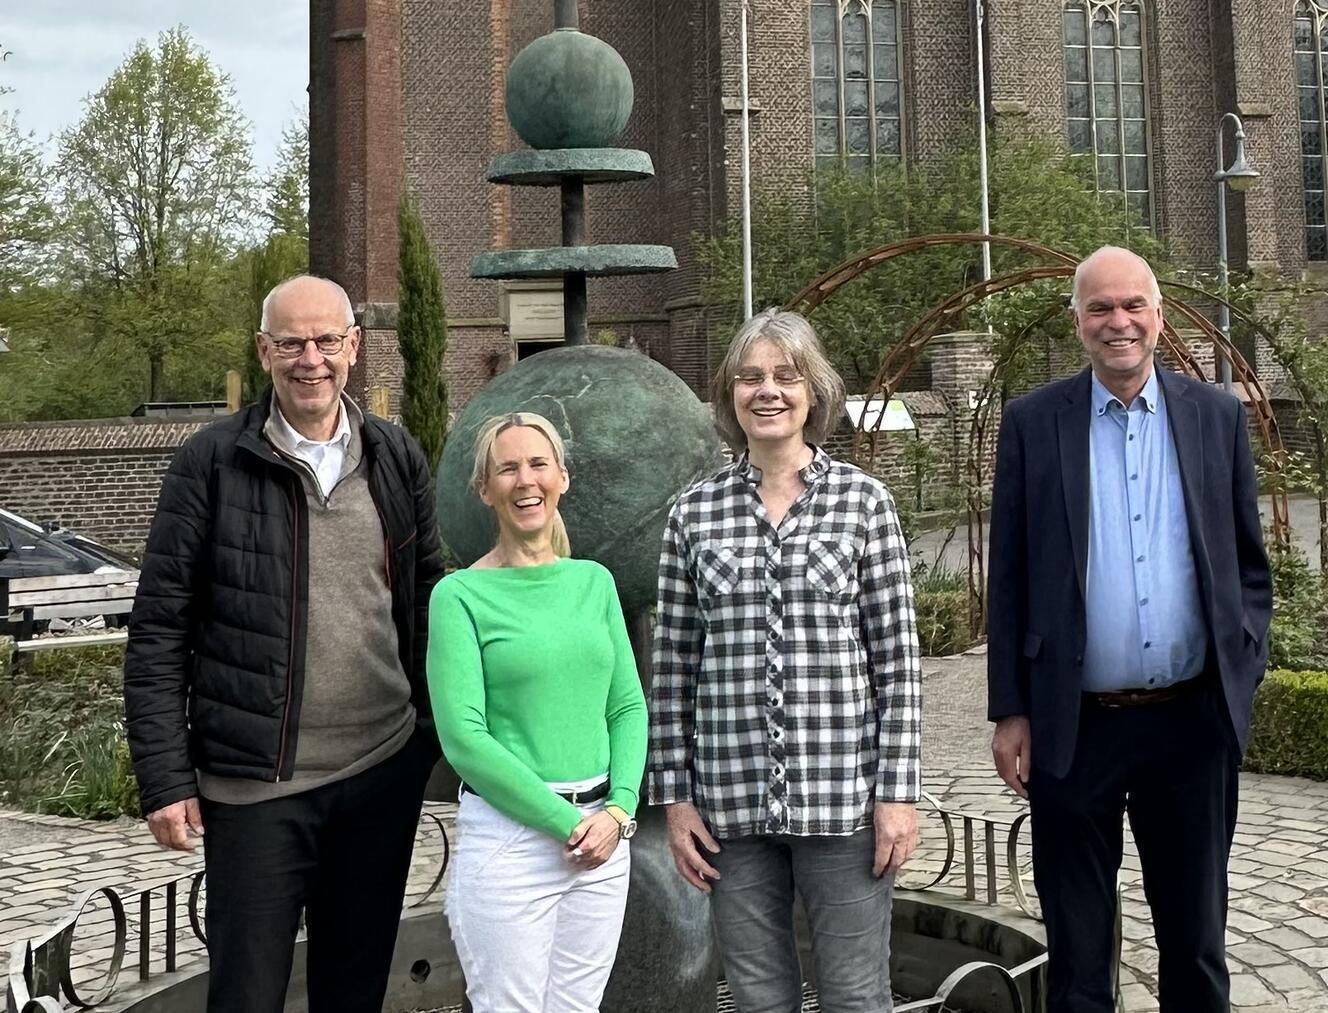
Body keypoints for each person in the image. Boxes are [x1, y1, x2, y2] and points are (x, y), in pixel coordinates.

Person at [123, 275, 444, 1013]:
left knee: (354, 989)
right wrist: (166, 775)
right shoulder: (210, 463)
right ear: (264, 350)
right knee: (247, 993)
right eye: (292, 342)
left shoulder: (395, 457)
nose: (311, 358)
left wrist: (429, 736)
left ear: (353, 348)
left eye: (327, 340)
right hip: (256, 785)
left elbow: (430, 605)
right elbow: (160, 625)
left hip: (378, 773)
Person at [986, 246, 1272, 1013]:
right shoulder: (1032, 423)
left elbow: (1249, 563)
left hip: (1190, 723)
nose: (1118, 322)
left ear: (1158, 316)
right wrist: (1011, 708)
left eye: (1132, 306)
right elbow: (1008, 574)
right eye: (1100, 308)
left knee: (1195, 946)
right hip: (1073, 725)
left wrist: (1244, 665)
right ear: (1077, 321)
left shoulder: (1216, 416)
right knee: (1078, 957)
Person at [648, 308, 922, 1013]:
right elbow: (672, 665)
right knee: (757, 995)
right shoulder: (693, 514)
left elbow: (897, 664)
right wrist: (676, 802)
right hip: (728, 809)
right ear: (730, 395)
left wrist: (897, 795)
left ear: (813, 391)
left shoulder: (864, 504)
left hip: (845, 801)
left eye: (784, 375)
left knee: (856, 994)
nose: (766, 390)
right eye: (750, 377)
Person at [428, 411, 648, 1013]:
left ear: (562, 478)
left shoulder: (594, 583)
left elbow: (627, 705)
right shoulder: (459, 597)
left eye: (537, 464)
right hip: (512, 843)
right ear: (485, 489)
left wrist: (621, 810)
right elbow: (464, 739)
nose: (525, 480)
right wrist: (565, 823)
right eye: (507, 468)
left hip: (604, 837)